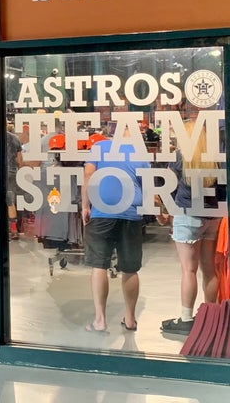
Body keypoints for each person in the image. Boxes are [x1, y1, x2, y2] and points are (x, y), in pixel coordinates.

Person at [81, 126, 149, 333]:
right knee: (130, 268)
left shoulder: (100, 146)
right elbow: (147, 184)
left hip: (103, 211)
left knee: (99, 265)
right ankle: (130, 319)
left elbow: (88, 176)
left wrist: (85, 206)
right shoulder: (139, 151)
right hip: (131, 213)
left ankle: (100, 320)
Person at [160, 120, 225, 335]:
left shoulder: (180, 157)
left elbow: (167, 186)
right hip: (212, 217)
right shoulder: (215, 157)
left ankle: (186, 318)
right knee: (209, 270)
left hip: (187, 215)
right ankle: (211, 317)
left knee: (188, 269)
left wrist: (164, 210)